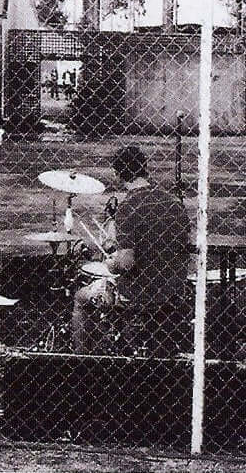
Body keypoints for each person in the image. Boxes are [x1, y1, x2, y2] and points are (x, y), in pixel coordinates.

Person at [72, 145, 191, 355]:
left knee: (81, 298)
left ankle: (82, 359)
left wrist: (111, 263)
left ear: (118, 174)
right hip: (174, 289)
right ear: (144, 168)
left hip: (139, 294)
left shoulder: (128, 207)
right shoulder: (174, 203)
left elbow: (127, 263)